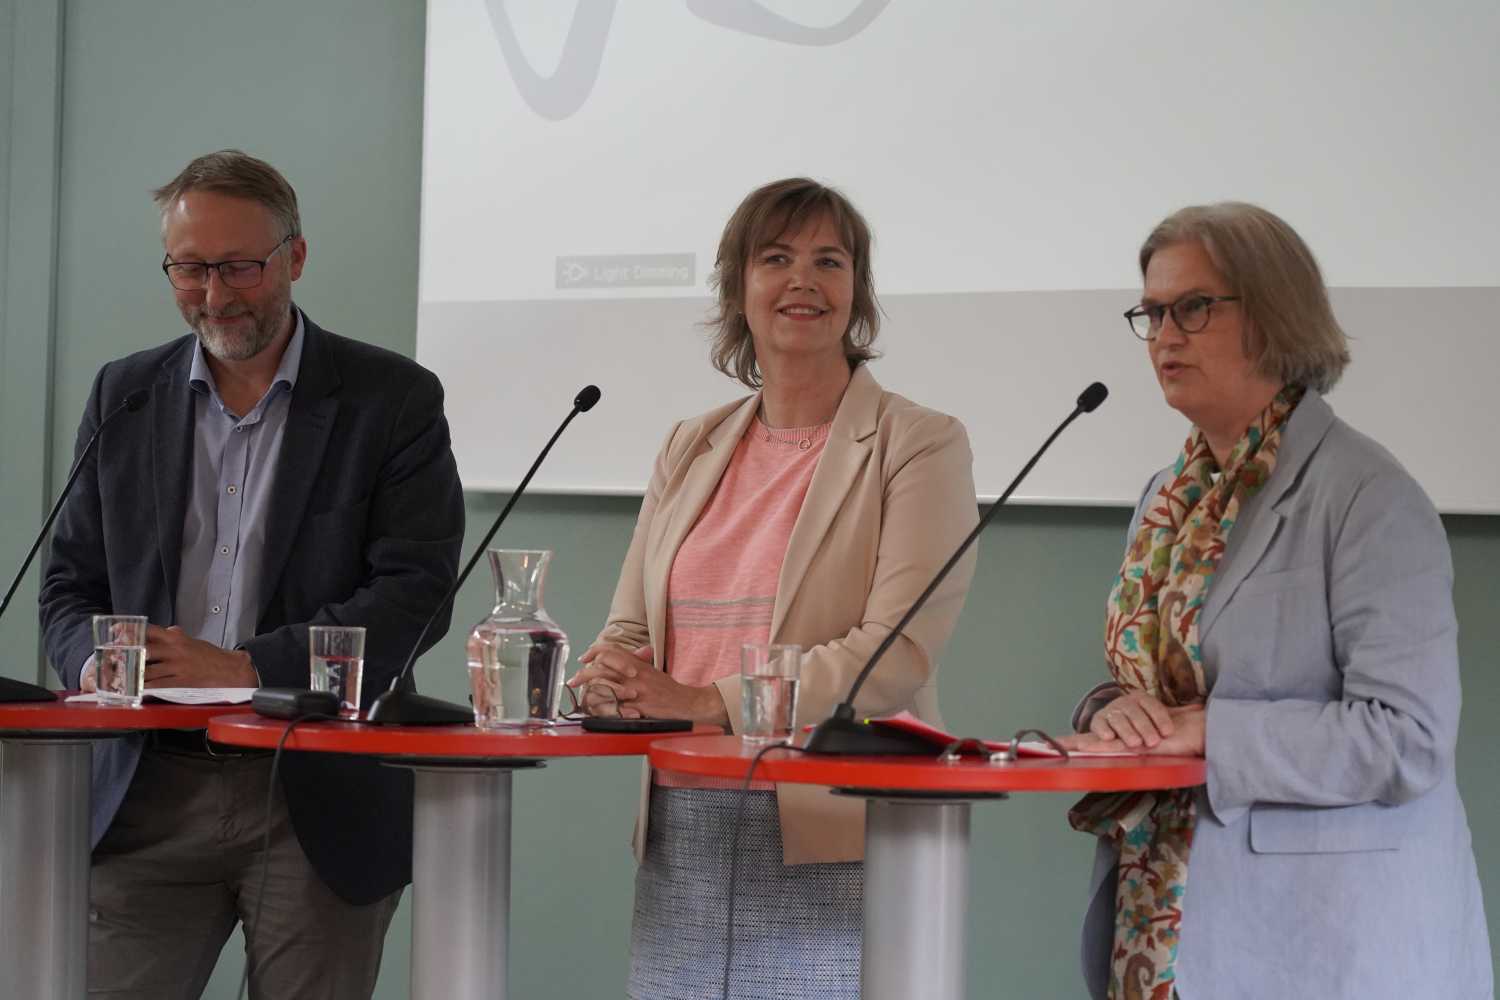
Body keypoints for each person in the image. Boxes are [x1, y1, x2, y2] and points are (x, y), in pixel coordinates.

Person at [39, 150, 465, 999]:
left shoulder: (393, 399)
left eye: (240, 266)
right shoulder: (123, 395)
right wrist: (105, 662)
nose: (216, 293)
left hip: (315, 795)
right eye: (189, 269)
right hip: (147, 791)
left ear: (295, 258)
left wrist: (244, 670)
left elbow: (414, 596)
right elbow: (67, 591)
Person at [1061, 202, 1491, 999]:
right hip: (1161, 918)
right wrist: (1112, 710)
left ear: (1273, 314)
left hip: (1320, 943)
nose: (1164, 335)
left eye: (1193, 307)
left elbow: (1409, 738)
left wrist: (1209, 735)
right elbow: (1164, 686)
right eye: (1151, 313)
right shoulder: (1167, 498)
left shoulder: (1368, 496)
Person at [567, 177, 979, 999]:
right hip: (685, 821)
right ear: (737, 288)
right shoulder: (691, 444)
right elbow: (627, 631)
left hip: (834, 823)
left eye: (830, 261)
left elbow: (891, 657)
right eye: (777, 258)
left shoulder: (918, 442)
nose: (804, 280)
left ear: (855, 292)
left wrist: (706, 699)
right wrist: (605, 677)